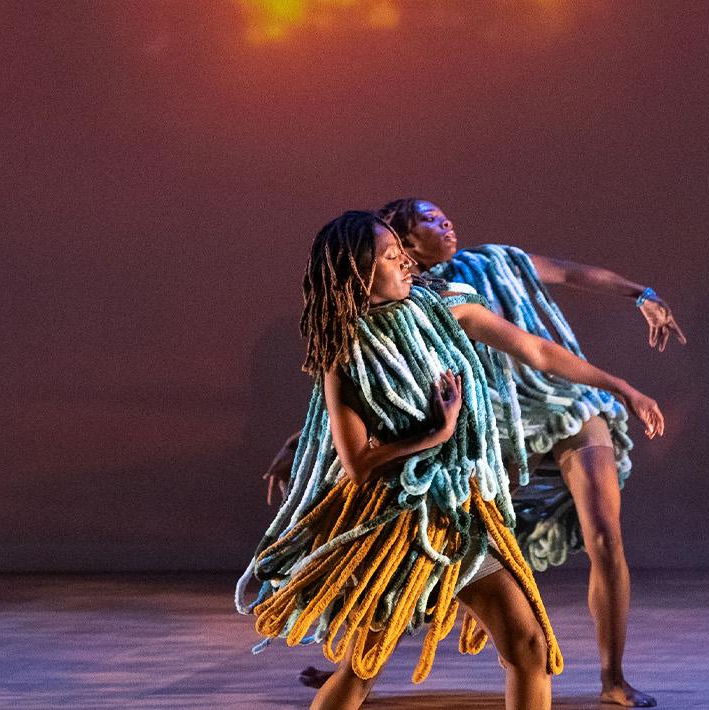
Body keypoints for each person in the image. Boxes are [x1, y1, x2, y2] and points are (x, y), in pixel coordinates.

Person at [239, 211, 662, 710]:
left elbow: (537, 351)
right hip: (394, 531)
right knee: (360, 670)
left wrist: (621, 387)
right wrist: (435, 432)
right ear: (359, 274)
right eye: (392, 257)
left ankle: (609, 677)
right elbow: (356, 464)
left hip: (457, 518)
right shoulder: (345, 357)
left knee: (529, 648)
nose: (405, 264)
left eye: (402, 252)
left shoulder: (444, 306)